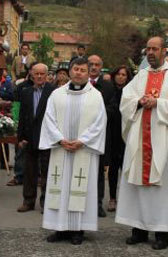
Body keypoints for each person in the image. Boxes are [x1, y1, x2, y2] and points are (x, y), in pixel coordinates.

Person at [115, 37, 168, 250]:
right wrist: (139, 101)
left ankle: (162, 233)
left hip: (162, 138)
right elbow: (126, 100)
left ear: (163, 51)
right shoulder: (141, 75)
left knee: (161, 186)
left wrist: (158, 102)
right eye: (148, 49)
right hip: (140, 137)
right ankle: (139, 230)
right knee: (138, 185)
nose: (150, 52)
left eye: (154, 49)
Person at [39, 57, 106, 244]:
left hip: (83, 150)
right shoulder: (57, 94)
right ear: (69, 71)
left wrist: (82, 141)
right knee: (60, 188)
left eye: (83, 70)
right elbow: (49, 119)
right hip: (61, 149)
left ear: (88, 73)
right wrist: (60, 140)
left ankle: (78, 230)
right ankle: (60, 229)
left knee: (79, 188)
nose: (78, 72)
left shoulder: (96, 96)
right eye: (75, 69)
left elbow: (99, 123)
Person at [16, 63, 56, 212]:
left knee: (46, 172)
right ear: (32, 75)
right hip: (30, 138)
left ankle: (46, 202)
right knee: (29, 171)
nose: (39, 77)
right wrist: (20, 138)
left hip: (47, 137)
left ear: (47, 75)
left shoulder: (53, 92)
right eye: (36, 74)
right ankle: (28, 201)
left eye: (42, 74)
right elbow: (22, 116)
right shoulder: (25, 92)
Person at [88, 54, 116, 217]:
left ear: (101, 67)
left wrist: (97, 114)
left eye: (96, 65)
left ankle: (98, 203)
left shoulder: (108, 86)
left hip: (100, 135)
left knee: (98, 171)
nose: (93, 67)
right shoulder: (80, 84)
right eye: (90, 64)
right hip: (81, 136)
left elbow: (113, 109)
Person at [105, 65, 131, 212]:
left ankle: (127, 199)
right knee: (113, 168)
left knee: (126, 167)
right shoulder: (110, 90)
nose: (121, 77)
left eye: (124, 75)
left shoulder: (130, 91)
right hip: (113, 132)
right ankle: (112, 198)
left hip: (126, 132)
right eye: (119, 74)